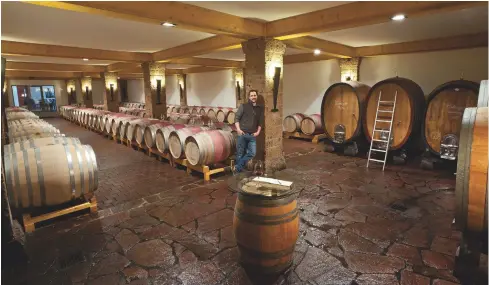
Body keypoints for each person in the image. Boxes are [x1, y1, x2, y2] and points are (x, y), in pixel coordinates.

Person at [232, 90, 264, 173]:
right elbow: (236, 118)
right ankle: (238, 172)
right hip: (242, 134)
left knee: (252, 153)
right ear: (249, 97)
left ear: (256, 96)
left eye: (255, 95)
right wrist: (238, 129)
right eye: (252, 95)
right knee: (240, 153)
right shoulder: (243, 106)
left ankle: (237, 167)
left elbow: (260, 122)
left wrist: (258, 132)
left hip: (252, 135)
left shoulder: (259, 108)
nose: (253, 97)